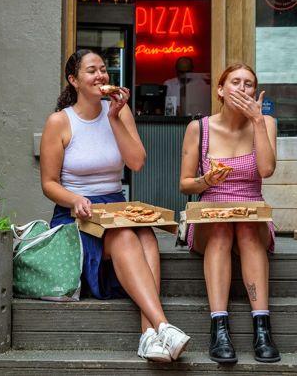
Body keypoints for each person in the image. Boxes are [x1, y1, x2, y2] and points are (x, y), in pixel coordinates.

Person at [40, 49, 191, 363]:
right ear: (74, 80)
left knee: (147, 236)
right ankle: (162, 325)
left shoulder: (119, 112)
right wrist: (75, 199)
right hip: (75, 213)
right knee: (125, 238)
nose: (101, 76)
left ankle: (149, 335)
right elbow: (49, 183)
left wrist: (114, 117)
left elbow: (136, 163)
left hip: (116, 207)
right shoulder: (59, 122)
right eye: (91, 71)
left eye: (104, 70)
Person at [179, 63, 280, 364]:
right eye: (235, 82)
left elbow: (266, 170)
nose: (243, 88)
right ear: (221, 91)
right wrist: (205, 181)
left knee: (246, 229)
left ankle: (262, 328)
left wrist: (257, 121)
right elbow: (185, 185)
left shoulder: (267, 122)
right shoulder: (199, 128)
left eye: (249, 84)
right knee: (224, 228)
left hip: (252, 212)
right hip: (211, 216)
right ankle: (219, 327)